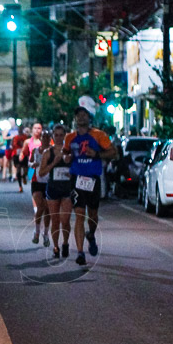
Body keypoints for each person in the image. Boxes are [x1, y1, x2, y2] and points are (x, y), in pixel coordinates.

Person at [64, 106, 116, 266]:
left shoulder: (99, 135)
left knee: (92, 215)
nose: (81, 117)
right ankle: (80, 252)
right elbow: (65, 154)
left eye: (84, 115)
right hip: (77, 179)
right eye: (78, 115)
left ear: (89, 118)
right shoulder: (70, 137)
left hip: (93, 179)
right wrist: (67, 158)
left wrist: (98, 154)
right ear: (75, 119)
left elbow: (114, 152)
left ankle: (91, 235)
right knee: (79, 215)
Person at [38, 124, 72, 258]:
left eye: (61, 135)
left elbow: (76, 169)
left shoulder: (69, 151)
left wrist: (72, 172)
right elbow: (41, 172)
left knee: (65, 220)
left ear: (65, 136)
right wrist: (54, 163)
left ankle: (65, 243)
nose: (58, 138)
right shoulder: (48, 153)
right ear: (53, 136)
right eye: (56, 135)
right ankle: (56, 246)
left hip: (67, 189)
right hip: (52, 189)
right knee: (55, 220)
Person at [21, 122, 48, 244]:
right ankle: (37, 230)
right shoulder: (29, 142)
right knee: (39, 205)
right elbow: (26, 154)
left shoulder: (49, 147)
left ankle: (45, 233)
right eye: (35, 128)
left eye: (39, 128)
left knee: (47, 209)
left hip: (47, 177)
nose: (37, 130)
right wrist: (23, 158)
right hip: (35, 174)